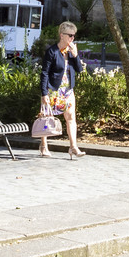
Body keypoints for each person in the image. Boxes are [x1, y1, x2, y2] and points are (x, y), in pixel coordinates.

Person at [39, 21, 85, 158]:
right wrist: (44, 93)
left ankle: (73, 147)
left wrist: (76, 55)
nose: (72, 38)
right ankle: (43, 145)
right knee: (47, 119)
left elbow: (79, 70)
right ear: (62, 35)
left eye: (74, 36)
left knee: (71, 117)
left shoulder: (71, 52)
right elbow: (45, 73)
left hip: (68, 90)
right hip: (53, 89)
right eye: (70, 35)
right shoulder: (52, 51)